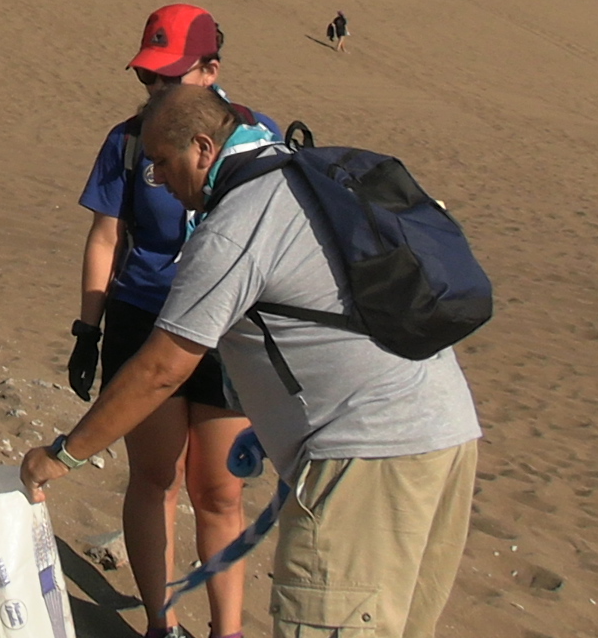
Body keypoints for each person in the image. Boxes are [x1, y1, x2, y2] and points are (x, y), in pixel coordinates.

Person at [25, 83, 481, 638]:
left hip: (365, 460)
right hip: (444, 436)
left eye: (164, 164)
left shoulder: (235, 223)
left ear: (202, 147)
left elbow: (162, 369)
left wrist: (62, 457)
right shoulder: (298, 176)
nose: (160, 181)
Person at [66, 5, 275, 638]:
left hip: (228, 333)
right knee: (155, 480)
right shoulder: (129, 141)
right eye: (146, 78)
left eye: (169, 77)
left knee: (220, 491)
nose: (155, 90)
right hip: (143, 324)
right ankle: (161, 626)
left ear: (211, 70)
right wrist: (88, 329)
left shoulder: (258, 138)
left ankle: (227, 631)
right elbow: (106, 237)